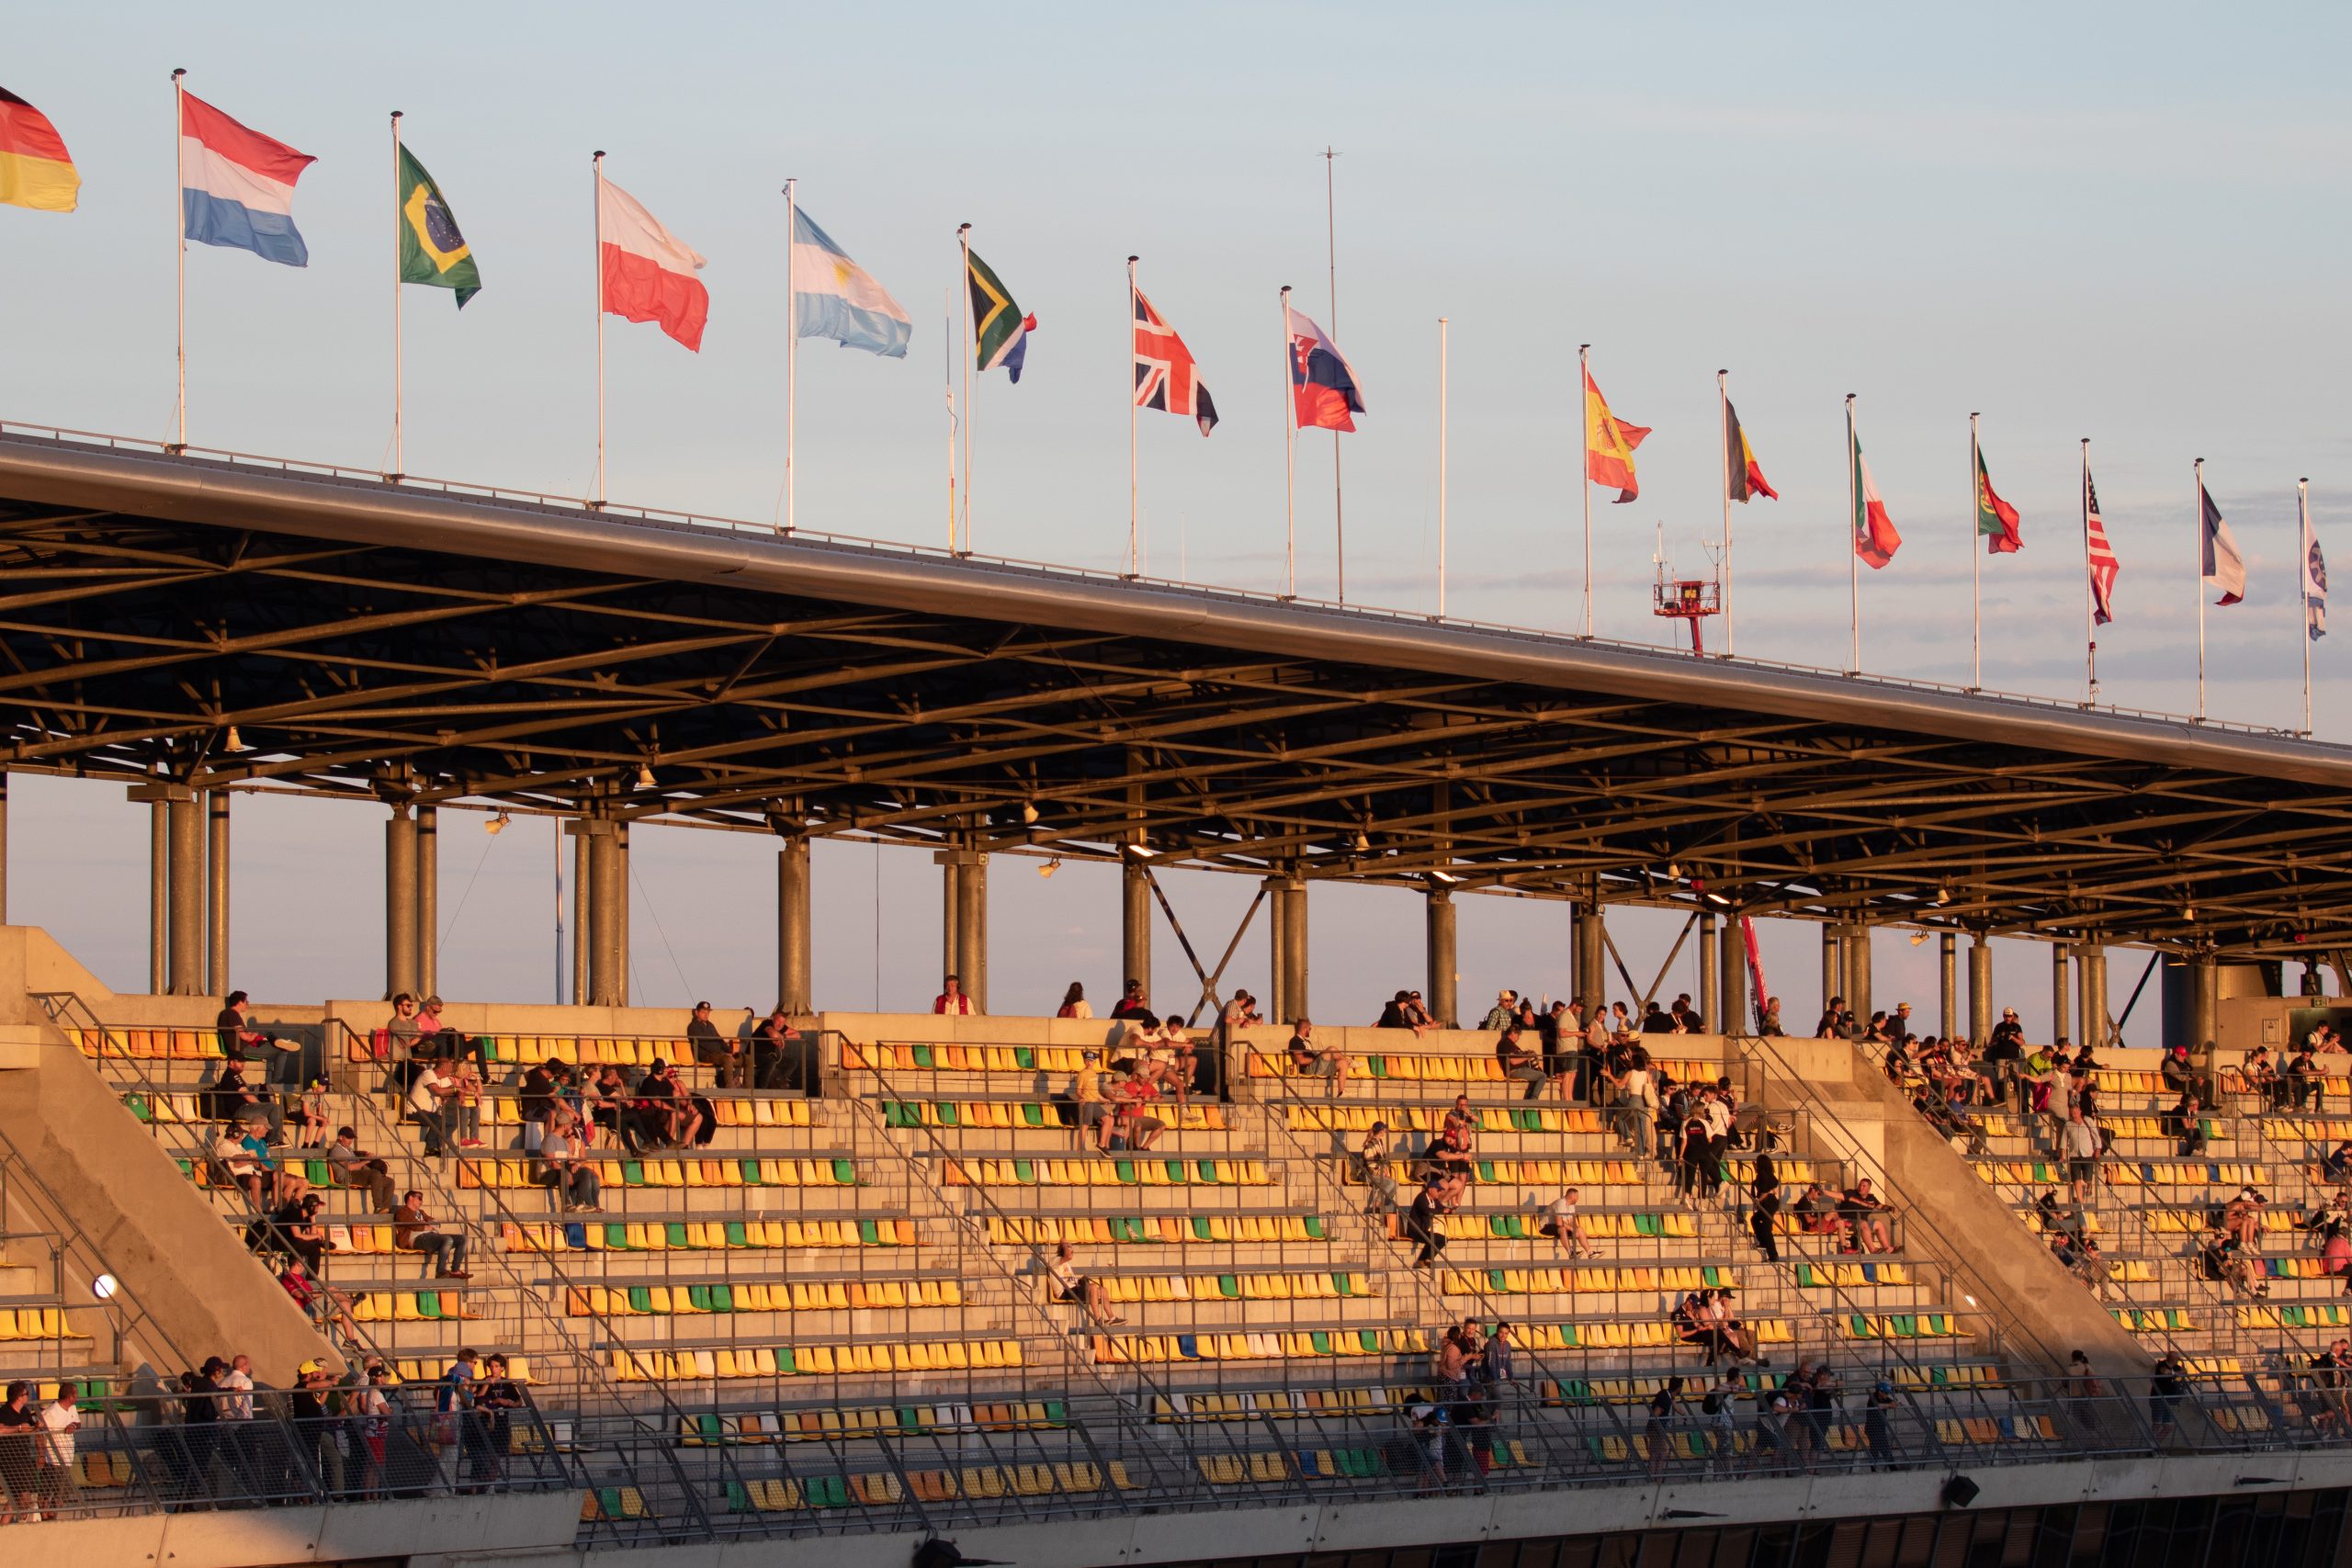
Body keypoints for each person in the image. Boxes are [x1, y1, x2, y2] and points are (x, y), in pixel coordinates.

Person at [394, 1190, 471, 1279]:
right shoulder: (403, 1212)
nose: (421, 1201)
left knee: (463, 1238)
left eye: (422, 1199)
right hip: (416, 1239)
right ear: (410, 1198)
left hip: (430, 1236)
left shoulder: (421, 1212)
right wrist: (426, 1225)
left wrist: (428, 1224)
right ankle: (440, 1271)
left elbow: (435, 1222)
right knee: (447, 1240)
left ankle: (455, 1270)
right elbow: (414, 1225)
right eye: (419, 1198)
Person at [474, 1356, 524, 1486]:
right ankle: (480, 1483)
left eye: (496, 1366)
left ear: (502, 1368)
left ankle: (490, 1484)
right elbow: (478, 1398)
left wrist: (510, 1404)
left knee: (497, 1457)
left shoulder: (507, 1383)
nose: (493, 1369)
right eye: (491, 1366)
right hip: (487, 1423)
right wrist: (488, 1386)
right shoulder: (485, 1381)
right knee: (485, 1456)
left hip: (502, 1423)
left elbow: (520, 1402)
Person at [1045, 1241, 1121, 1325]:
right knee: (1092, 1287)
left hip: (1074, 1288)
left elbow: (1071, 1279)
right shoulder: (1054, 1261)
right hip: (1064, 1291)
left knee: (1103, 1290)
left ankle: (1112, 1318)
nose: (1071, 1251)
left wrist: (1080, 1282)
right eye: (1068, 1249)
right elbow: (1068, 1256)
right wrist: (1066, 1245)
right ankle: (1097, 1319)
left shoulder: (1066, 1264)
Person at [35, 1381, 78, 1517]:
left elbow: (78, 1422)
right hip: (52, 1459)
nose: (78, 1397)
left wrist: (73, 1425)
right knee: (46, 1493)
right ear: (70, 1396)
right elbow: (39, 1435)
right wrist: (41, 1455)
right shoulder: (50, 1413)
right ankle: (44, 1517)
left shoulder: (72, 1408)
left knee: (61, 1495)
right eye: (76, 1394)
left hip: (67, 1459)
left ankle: (51, 1516)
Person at [407, 1054, 461, 1156]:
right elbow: (437, 1091)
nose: (451, 1071)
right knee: (438, 1119)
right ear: (444, 1067)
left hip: (430, 1113)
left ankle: (438, 1143)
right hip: (415, 1111)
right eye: (450, 1067)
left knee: (452, 1122)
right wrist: (454, 1090)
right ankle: (429, 1147)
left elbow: (452, 1089)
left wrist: (455, 1091)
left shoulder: (444, 1078)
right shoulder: (428, 1074)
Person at [0, 1382, 40, 1524]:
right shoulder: (4, 1412)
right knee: (22, 1495)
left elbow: (27, 1427)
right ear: (19, 1397)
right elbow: (1, 1430)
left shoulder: (24, 1411)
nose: (27, 1396)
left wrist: (36, 1427)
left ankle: (5, 1525)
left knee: (19, 1497)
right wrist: (17, 1428)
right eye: (26, 1394)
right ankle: (21, 1522)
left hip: (24, 1458)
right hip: (10, 1459)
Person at [540, 1122, 602, 1210]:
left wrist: (576, 1165)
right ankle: (567, 1204)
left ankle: (582, 1204)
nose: (571, 1136)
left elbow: (575, 1160)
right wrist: (570, 1170)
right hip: (552, 1173)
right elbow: (553, 1163)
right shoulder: (552, 1141)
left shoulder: (569, 1143)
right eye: (568, 1135)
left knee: (588, 1173)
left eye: (572, 1134)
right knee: (566, 1173)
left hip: (568, 1170)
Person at [685, 1001, 744, 1088]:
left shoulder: (710, 1025)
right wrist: (724, 1053)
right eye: (703, 1012)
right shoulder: (693, 1027)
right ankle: (730, 1087)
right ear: (696, 1012)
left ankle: (747, 1087)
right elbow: (705, 1044)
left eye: (708, 1012)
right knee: (727, 1059)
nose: (706, 1015)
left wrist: (730, 1051)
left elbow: (719, 1039)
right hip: (707, 1055)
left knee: (747, 1059)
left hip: (720, 1054)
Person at [1069, 1052, 1114, 1153]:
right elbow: (1078, 1090)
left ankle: (1101, 1144)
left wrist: (1104, 1099)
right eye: (1088, 1061)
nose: (1090, 1063)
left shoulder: (1094, 1073)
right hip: (1087, 1102)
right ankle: (1080, 1147)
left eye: (1092, 1061)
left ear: (1095, 1062)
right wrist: (1082, 1097)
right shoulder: (1082, 1074)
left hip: (1094, 1102)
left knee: (1108, 1120)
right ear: (1084, 1061)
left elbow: (1095, 1092)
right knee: (1085, 1125)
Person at [1354, 1122, 1402, 1212]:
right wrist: (1380, 1173)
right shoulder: (1370, 1145)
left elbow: (1383, 1160)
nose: (1385, 1131)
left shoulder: (1379, 1142)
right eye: (1384, 1130)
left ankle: (1384, 1204)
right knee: (1390, 1183)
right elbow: (1370, 1163)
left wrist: (1385, 1171)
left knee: (1395, 1184)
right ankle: (1378, 1203)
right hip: (1366, 1174)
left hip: (1377, 1173)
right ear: (1381, 1131)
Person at [2060, 1105, 2101, 1204]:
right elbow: (2064, 1140)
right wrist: (2063, 1155)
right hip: (2074, 1155)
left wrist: (2098, 1149)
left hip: (2087, 1153)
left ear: (2079, 1112)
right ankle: (2080, 1200)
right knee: (2076, 1178)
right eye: (2072, 1113)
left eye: (2075, 1113)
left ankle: (2089, 1185)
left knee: (2087, 1179)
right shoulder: (2068, 1125)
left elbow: (2096, 1135)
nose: (2073, 1115)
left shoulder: (2088, 1121)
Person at [1404, 1178, 1448, 1268]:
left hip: (1424, 1230)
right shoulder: (1421, 1198)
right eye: (1438, 1190)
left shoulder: (1434, 1200)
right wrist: (1443, 1211)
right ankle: (1422, 1260)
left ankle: (1427, 1259)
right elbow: (1426, 1210)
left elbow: (1441, 1208)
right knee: (1432, 1239)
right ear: (1430, 1190)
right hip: (1415, 1230)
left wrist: (1450, 1210)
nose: (1439, 1192)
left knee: (1443, 1239)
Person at [1839, 1179, 1893, 1255]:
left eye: (1864, 1186)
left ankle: (1888, 1249)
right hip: (1850, 1221)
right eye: (1860, 1185)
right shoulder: (1851, 1193)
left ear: (1869, 1188)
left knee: (1878, 1224)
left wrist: (1891, 1208)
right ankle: (1873, 1250)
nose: (1861, 1187)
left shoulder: (1871, 1198)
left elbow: (1880, 1206)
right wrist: (1824, 1192)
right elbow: (1838, 1195)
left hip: (1863, 1222)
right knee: (1864, 1224)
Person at [1544, 1187, 1598, 1259]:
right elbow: (1559, 1223)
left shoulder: (1571, 1205)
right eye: (1577, 1196)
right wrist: (1572, 1230)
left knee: (1579, 1229)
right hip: (1546, 1226)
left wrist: (1575, 1229)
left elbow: (1572, 1221)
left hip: (1560, 1226)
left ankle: (1590, 1253)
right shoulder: (1560, 1203)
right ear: (1572, 1197)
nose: (1578, 1198)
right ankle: (1571, 1253)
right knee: (1562, 1229)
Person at [1496, 1024, 1546, 1100]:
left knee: (1537, 1074)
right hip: (1514, 1071)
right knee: (1542, 1076)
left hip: (1521, 1069)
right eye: (1518, 1035)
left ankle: (1529, 1099)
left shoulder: (1512, 1045)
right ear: (1512, 1033)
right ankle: (1533, 1099)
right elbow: (1513, 1061)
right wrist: (1527, 1057)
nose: (1518, 1038)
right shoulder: (1506, 1044)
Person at [1645, 1379, 1680, 1479]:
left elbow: (1675, 1405)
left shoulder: (1666, 1394)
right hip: (1656, 1430)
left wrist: (1683, 1414)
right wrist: (1659, 1430)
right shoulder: (1665, 1398)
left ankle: (1655, 1477)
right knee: (1659, 1455)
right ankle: (1656, 1478)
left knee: (1657, 1454)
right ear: (1678, 1388)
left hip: (1656, 1430)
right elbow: (1656, 1414)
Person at [1864, 1380, 1898, 1470]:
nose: (1887, 1395)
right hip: (1872, 1429)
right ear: (1880, 1392)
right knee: (1875, 1449)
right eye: (1885, 1393)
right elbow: (1878, 1405)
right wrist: (1889, 1405)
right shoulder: (1873, 1397)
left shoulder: (1885, 1398)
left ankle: (1892, 1468)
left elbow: (1892, 1403)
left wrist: (1895, 1403)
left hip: (1881, 1428)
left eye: (1887, 1393)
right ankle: (1876, 1469)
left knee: (1884, 1449)